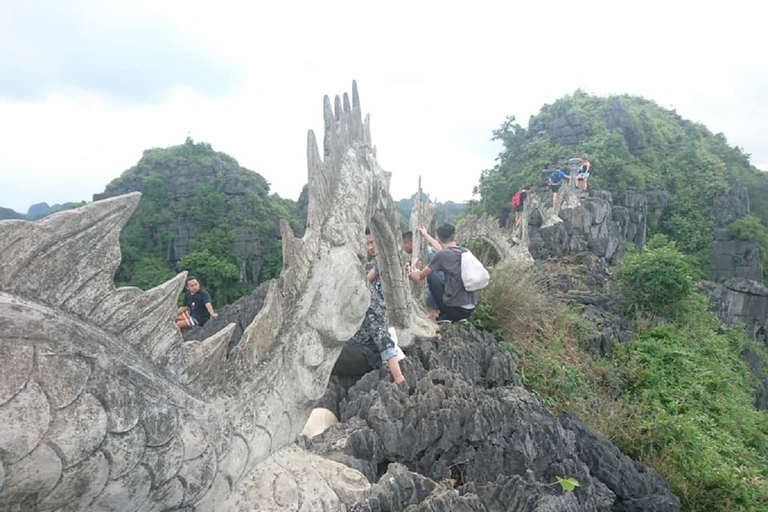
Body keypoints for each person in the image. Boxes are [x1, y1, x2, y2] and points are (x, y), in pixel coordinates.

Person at [407, 223, 477, 323]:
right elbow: (442, 248)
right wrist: (426, 235)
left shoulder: (441, 255)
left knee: (432, 276)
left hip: (455, 310)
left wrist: (412, 270)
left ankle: (447, 315)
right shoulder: (465, 251)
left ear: (439, 239)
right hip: (469, 308)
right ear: (455, 236)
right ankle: (455, 315)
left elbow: (419, 277)